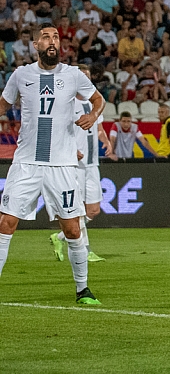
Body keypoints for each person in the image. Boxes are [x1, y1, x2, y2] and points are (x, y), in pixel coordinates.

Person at [0, 26, 106, 306]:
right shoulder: (21, 75)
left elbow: (98, 99)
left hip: (62, 166)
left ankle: (83, 290)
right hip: (26, 163)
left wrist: (94, 115)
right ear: (36, 44)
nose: (52, 41)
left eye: (56, 37)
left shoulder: (72, 75)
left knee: (72, 229)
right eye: (46, 37)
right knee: (5, 223)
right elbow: (2, 104)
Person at [52, 98, 115, 264]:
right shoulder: (68, 103)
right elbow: (59, 131)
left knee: (93, 210)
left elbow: (99, 129)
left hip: (92, 164)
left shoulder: (94, 104)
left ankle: (59, 237)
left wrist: (106, 141)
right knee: (78, 209)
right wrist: (71, 149)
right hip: (75, 165)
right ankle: (86, 250)